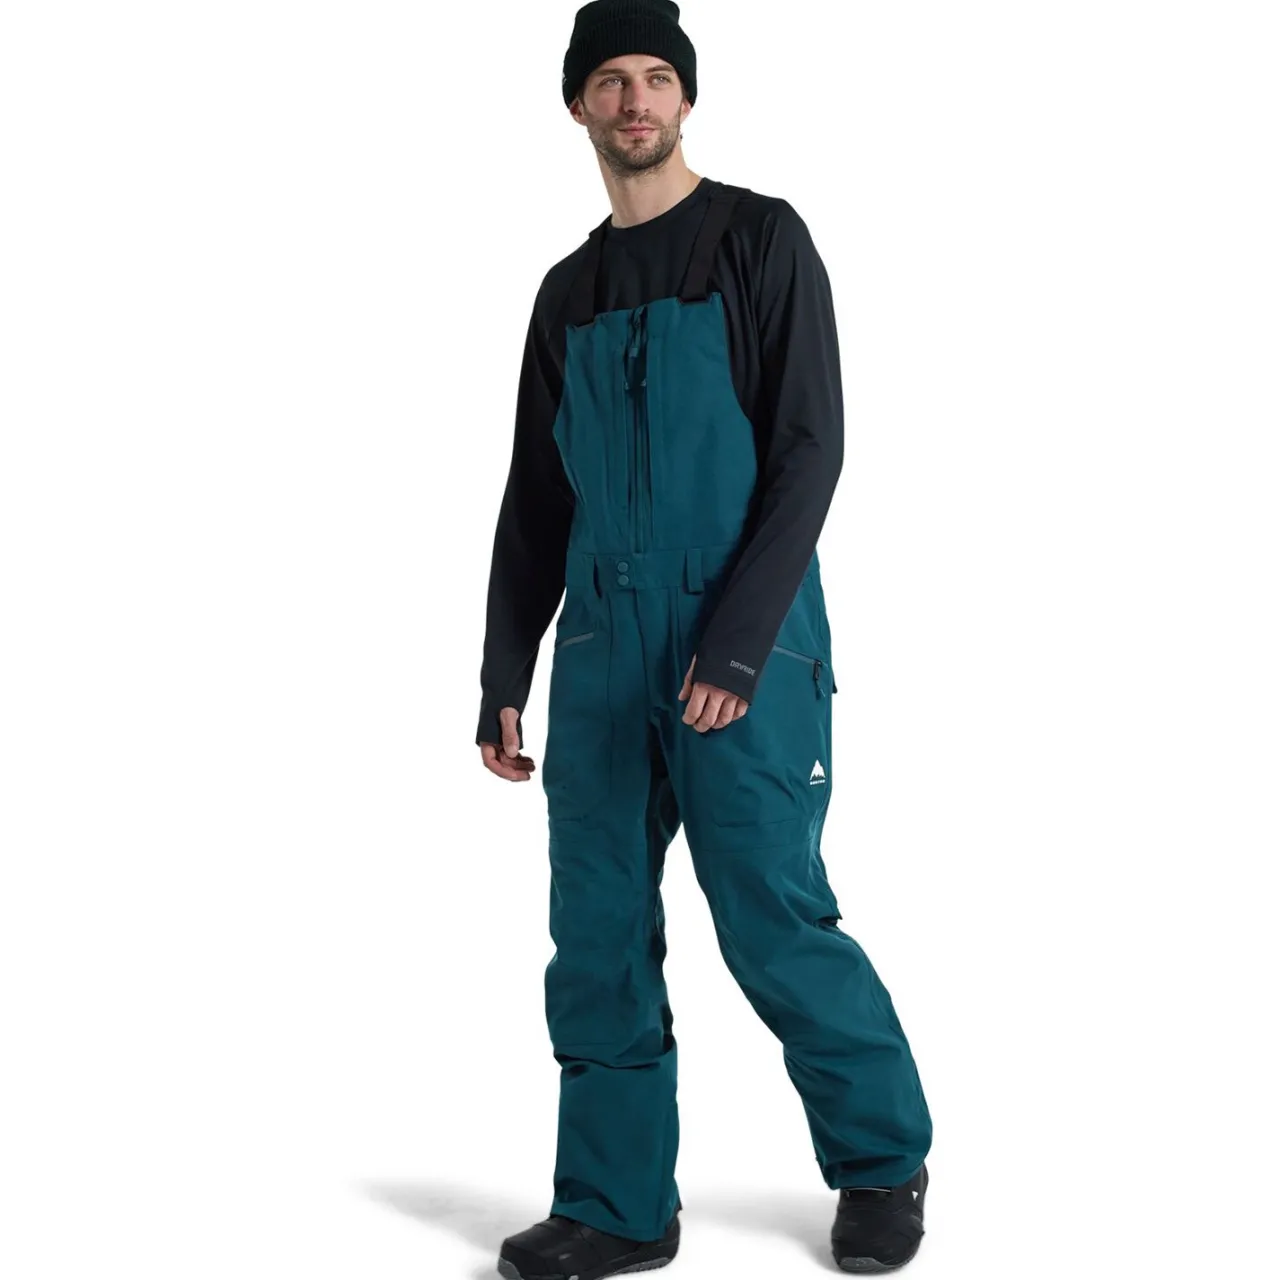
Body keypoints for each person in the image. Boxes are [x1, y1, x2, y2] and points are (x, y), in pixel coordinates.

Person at [475, 2, 933, 1275]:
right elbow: (536, 497)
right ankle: (616, 1204)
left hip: (743, 630)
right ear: (576, 104)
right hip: (600, 650)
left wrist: (731, 650)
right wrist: (504, 668)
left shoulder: (757, 239)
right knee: (596, 931)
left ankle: (881, 1158)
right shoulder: (566, 292)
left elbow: (807, 451)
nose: (634, 100)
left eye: (655, 77)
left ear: (684, 98)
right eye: (609, 80)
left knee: (769, 914)